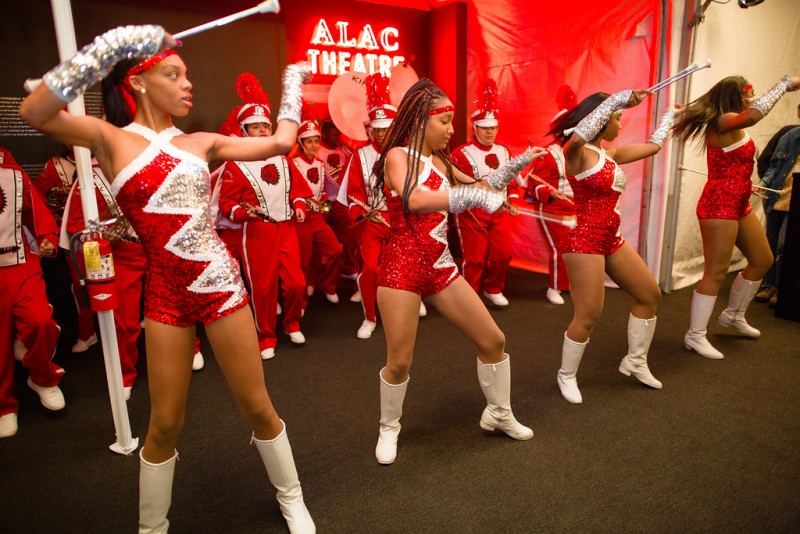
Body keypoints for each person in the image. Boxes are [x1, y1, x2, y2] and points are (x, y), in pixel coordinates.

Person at [20, 26, 315, 532]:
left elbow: (284, 141)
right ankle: (151, 527)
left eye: (187, 76)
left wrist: (293, 81)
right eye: (173, 74)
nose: (187, 85)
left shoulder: (203, 142)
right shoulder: (109, 139)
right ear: (137, 82)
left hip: (220, 285)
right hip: (164, 296)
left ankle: (292, 498)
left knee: (257, 406)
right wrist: (104, 50)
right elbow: (36, 112)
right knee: (164, 423)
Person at [372, 78, 542, 465]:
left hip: (440, 267)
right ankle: (389, 426)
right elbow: (414, 200)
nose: (452, 130)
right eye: (445, 121)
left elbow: (484, 183)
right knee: (399, 361)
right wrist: (470, 196)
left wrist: (520, 162)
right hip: (401, 268)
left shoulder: (441, 161)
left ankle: (498, 413)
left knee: (493, 340)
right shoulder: (398, 156)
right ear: (420, 120)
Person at [550, 90, 677, 404]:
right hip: (583, 240)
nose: (620, 123)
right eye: (617, 118)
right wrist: (618, 99)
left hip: (610, 238)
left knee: (650, 294)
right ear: (601, 119)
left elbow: (653, 146)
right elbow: (579, 136)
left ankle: (635, 361)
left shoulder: (611, 155)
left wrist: (670, 116)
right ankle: (566, 375)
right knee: (589, 313)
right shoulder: (575, 152)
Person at [673, 75, 800, 360]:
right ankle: (695, 335)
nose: (751, 98)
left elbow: (734, 163)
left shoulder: (733, 122)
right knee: (715, 271)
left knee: (762, 259)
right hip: (719, 204)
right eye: (748, 94)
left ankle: (733, 315)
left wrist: (747, 183)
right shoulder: (724, 121)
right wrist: (782, 85)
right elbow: (753, 117)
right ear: (735, 96)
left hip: (739, 201)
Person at [218, 72, 312, 358]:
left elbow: (298, 192)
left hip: (286, 230)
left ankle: (292, 323)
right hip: (257, 232)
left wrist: (298, 206)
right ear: (244, 131)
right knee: (263, 287)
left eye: (264, 126)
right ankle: (265, 337)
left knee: (296, 282)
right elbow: (227, 205)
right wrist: (246, 213)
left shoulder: (282, 159)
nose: (261, 131)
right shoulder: (234, 163)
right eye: (255, 126)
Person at [0, 147, 65, 438]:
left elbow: (34, 212)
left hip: (21, 264)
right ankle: (4, 405)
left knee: (39, 321)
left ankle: (42, 377)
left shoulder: (14, 173)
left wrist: (47, 238)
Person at [451, 79, 523, 308]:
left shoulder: (504, 151)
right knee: (474, 259)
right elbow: (453, 185)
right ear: (475, 128)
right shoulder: (461, 153)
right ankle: (469, 297)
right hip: (473, 213)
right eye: (485, 127)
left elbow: (512, 181)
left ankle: (493, 288)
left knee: (503, 254)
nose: (490, 132)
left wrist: (512, 200)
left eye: (493, 127)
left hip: (500, 210)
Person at [340, 73, 395, 339]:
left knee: (402, 266)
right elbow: (352, 195)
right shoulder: (359, 156)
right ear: (370, 129)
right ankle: (370, 317)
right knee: (370, 268)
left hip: (399, 220)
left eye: (387, 128)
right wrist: (365, 213)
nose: (383, 134)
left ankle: (404, 308)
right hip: (371, 220)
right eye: (378, 129)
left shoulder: (404, 152)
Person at [38, 151, 99, 352]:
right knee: (82, 288)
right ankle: (87, 332)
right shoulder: (56, 164)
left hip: (110, 237)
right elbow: (38, 196)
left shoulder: (106, 161)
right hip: (80, 237)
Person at [525, 85, 579, 305]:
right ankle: (554, 287)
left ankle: (567, 285)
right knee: (560, 248)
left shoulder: (580, 152)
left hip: (575, 208)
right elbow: (532, 182)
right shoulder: (548, 153)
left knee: (574, 249)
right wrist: (551, 194)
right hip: (553, 208)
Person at [290, 117, 344, 309]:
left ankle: (327, 284)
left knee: (336, 250)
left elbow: (323, 193)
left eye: (316, 140)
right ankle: (301, 302)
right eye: (309, 141)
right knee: (303, 262)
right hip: (300, 219)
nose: (314, 145)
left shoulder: (321, 164)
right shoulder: (293, 164)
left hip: (317, 218)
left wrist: (325, 208)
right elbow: (292, 193)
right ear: (301, 143)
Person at [756, 125, 799, 307]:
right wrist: (764, 182)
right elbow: (773, 164)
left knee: (784, 244)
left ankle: (782, 288)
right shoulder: (790, 136)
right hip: (777, 197)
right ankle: (770, 284)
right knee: (770, 243)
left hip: (795, 202)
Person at [317, 119, 360, 288]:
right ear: (325, 134)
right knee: (322, 238)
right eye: (334, 135)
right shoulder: (317, 152)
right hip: (324, 202)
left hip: (340, 201)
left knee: (349, 233)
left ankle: (348, 267)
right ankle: (320, 278)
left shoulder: (343, 150)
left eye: (339, 134)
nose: (337, 138)